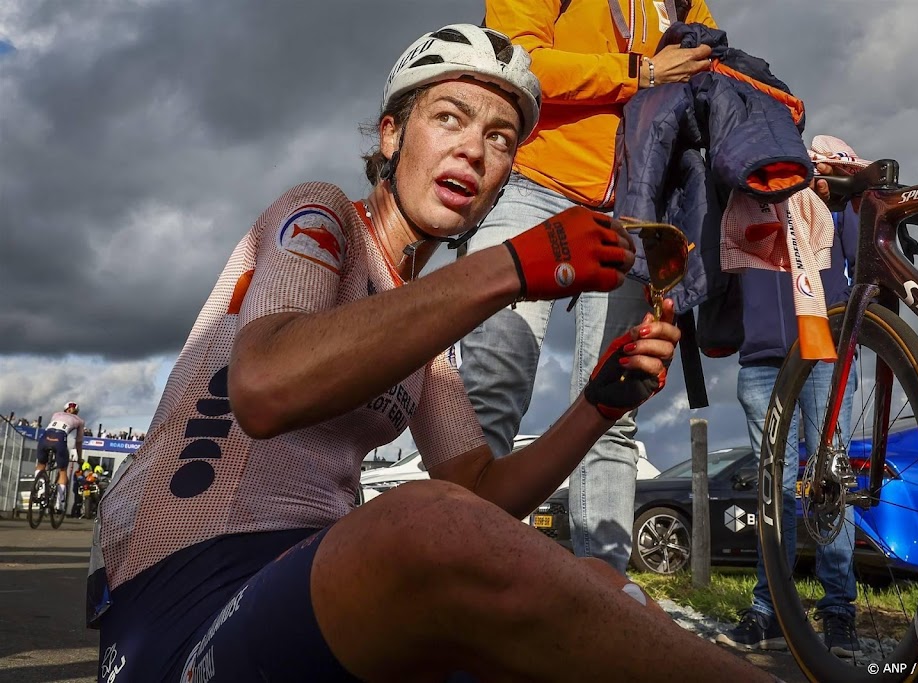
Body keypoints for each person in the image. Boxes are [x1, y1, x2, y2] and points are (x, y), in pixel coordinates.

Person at [90, 24, 778, 682]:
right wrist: (508, 267)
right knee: (422, 523)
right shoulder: (324, 215)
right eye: (449, 117)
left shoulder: (420, 329)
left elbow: (479, 491)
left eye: (500, 137)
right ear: (392, 134)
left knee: (601, 588)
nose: (474, 150)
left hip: (308, 591)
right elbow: (264, 386)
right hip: (186, 596)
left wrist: (597, 404)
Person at [459, 0, 718, 574]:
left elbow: (707, 71)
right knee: (490, 388)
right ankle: (465, 577)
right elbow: (516, 61)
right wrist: (642, 73)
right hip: (534, 185)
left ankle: (602, 581)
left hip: (635, 205)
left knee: (616, 406)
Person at [716, 161, 861, 657]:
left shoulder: (822, 194)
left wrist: (847, 187)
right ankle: (770, 609)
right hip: (760, 360)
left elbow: (861, 252)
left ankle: (839, 609)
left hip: (822, 347)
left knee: (830, 479)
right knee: (772, 491)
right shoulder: (737, 194)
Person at [35, 401, 84, 509]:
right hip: (60, 440)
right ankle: (59, 504)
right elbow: (78, 442)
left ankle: (40, 489)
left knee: (41, 464)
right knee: (62, 471)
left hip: (45, 438)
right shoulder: (79, 421)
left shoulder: (56, 414)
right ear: (77, 412)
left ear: (65, 409)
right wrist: (79, 458)